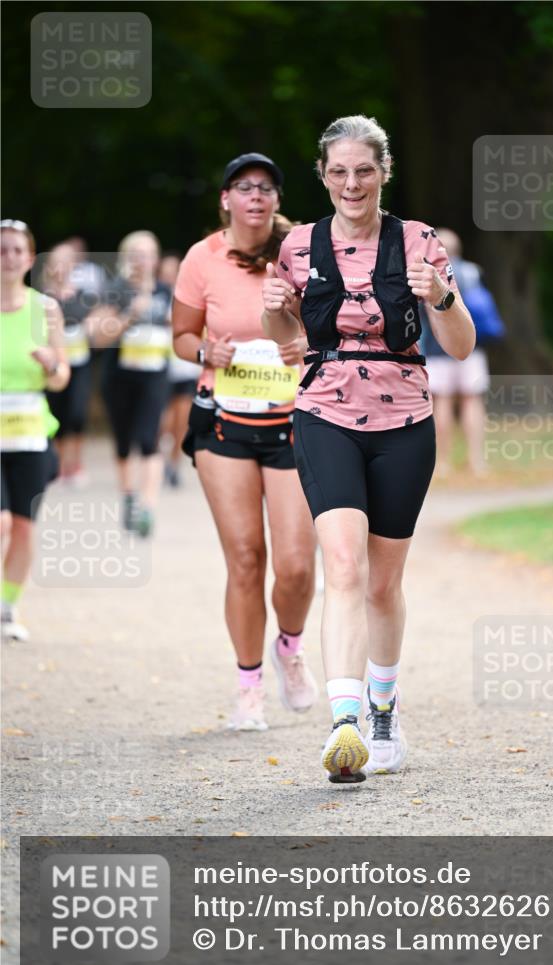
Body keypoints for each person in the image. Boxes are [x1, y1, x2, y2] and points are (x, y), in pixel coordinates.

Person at [262, 115, 475, 783]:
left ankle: (384, 708)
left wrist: (440, 295)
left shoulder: (418, 243)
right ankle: (344, 720)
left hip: (404, 418)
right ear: (323, 178)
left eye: (363, 170)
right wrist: (274, 308)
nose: (351, 183)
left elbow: (461, 344)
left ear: (383, 173)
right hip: (324, 410)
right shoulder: (297, 246)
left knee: (383, 583)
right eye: (337, 171)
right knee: (344, 567)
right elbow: (285, 338)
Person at [172, 153, 317, 732]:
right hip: (225, 424)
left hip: (292, 423)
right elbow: (181, 336)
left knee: (297, 566)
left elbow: (332, 326)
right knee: (245, 559)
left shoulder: (301, 253)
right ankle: (249, 684)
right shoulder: (201, 257)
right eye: (243, 187)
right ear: (226, 200)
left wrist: (303, 342)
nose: (255, 196)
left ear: (277, 200)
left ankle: (290, 646)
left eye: (266, 187)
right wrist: (207, 352)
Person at [1, 220, 70, 640]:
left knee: (24, 525)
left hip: (29, 432)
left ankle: (8, 608)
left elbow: (61, 377)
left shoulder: (44, 308)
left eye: (16, 250)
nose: (8, 257)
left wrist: (51, 364)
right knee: (2, 523)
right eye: (1, 249)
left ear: (29, 258)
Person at [87, 230, 172, 537]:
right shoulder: (115, 290)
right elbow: (97, 339)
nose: (142, 260)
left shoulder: (165, 291)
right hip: (119, 376)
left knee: (150, 439)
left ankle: (147, 507)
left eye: (148, 253)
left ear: (156, 258)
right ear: (126, 258)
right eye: (135, 254)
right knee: (124, 442)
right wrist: (129, 316)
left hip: (155, 375)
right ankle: (128, 496)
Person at [419, 228, 499, 477]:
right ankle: (477, 460)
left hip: (436, 349)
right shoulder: (473, 272)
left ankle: (442, 462)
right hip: (472, 348)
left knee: (441, 401)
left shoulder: (426, 275)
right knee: (472, 400)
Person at [40, 241, 97, 487]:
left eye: (66, 263)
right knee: (57, 414)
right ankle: (60, 464)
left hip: (80, 364)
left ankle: (76, 463)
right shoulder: (42, 299)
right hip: (52, 366)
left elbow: (96, 323)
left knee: (77, 414)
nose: (61, 269)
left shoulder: (84, 297)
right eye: (56, 263)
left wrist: (92, 326)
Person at [157, 253, 200, 487]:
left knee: (181, 421)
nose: (170, 274)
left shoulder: (191, 295)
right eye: (166, 270)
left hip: (185, 368)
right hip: (161, 367)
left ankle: (173, 465)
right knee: (163, 421)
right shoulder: (155, 294)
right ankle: (159, 459)